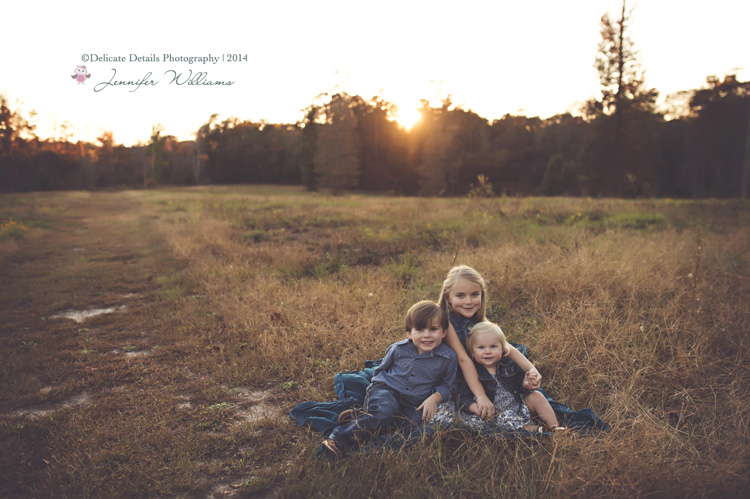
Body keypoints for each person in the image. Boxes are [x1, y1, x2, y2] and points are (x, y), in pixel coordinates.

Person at [321, 300, 457, 458]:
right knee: (385, 410)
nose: (426, 335)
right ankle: (339, 439)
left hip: (415, 401)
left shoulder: (448, 357)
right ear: (409, 333)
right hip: (387, 390)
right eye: (419, 329)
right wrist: (376, 391)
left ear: (444, 332)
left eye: (433, 329)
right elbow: (380, 371)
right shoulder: (398, 349)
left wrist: (434, 398)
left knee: (411, 424)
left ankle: (359, 417)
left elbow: (450, 386)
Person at [437, 265, 542, 420]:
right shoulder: (447, 322)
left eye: (474, 295)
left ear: (482, 295)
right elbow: (463, 359)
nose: (468, 301)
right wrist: (480, 395)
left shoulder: (477, 319)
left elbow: (507, 346)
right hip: (458, 374)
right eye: (460, 296)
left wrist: (532, 369)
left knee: (505, 361)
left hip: (479, 364)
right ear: (448, 298)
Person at [457, 321, 565, 432]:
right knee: (503, 420)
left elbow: (519, 383)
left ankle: (555, 427)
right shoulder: (472, 372)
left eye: (493, 346)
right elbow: (462, 396)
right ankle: (537, 429)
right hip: (495, 415)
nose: (488, 351)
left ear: (503, 348)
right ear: (472, 352)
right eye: (481, 348)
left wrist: (525, 383)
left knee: (537, 396)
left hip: (517, 406)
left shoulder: (508, 363)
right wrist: (473, 407)